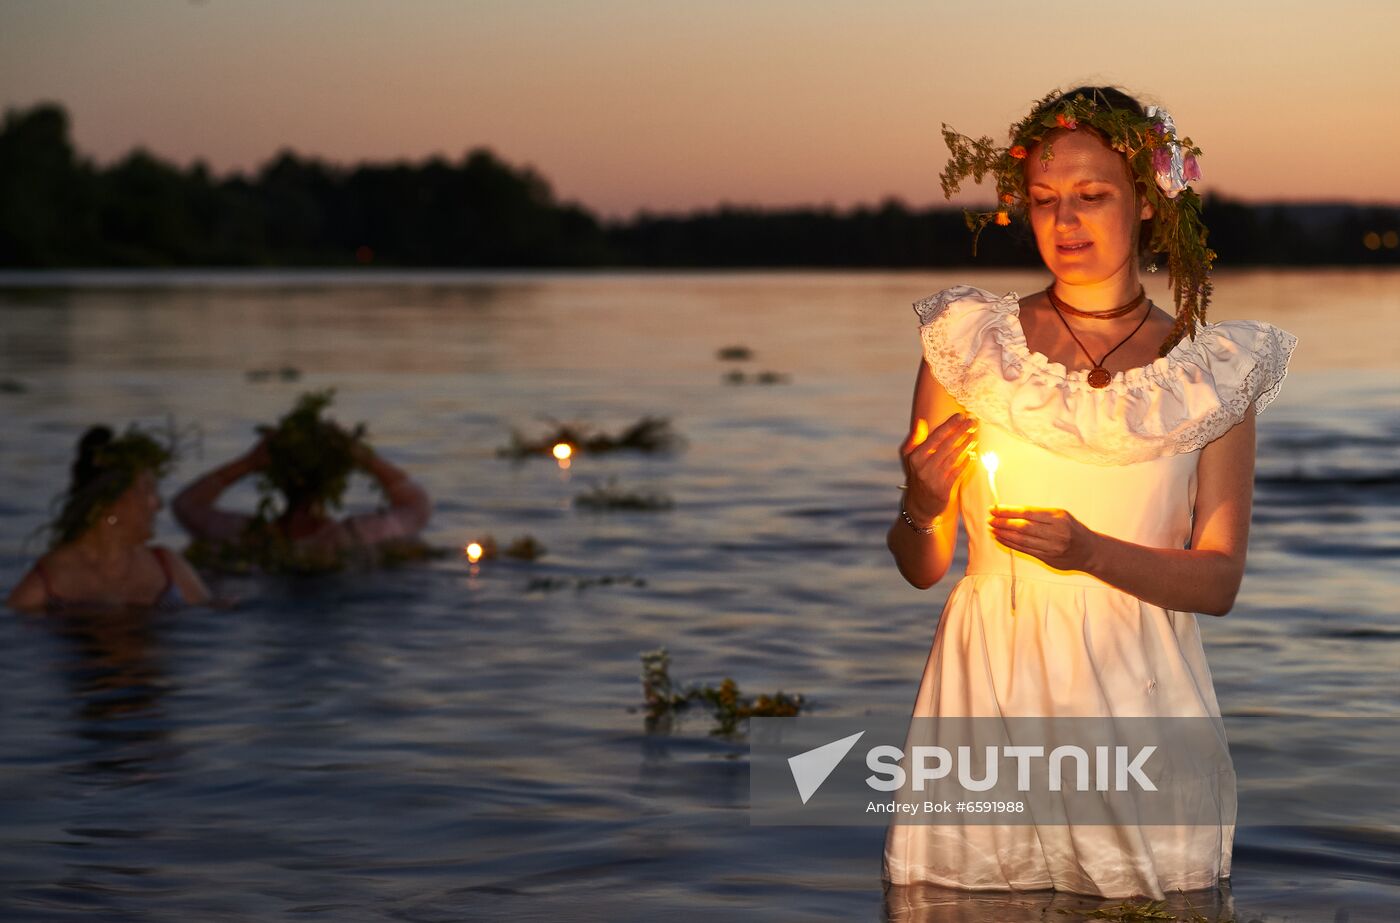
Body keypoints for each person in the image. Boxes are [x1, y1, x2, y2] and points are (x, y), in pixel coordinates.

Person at [882, 87, 1297, 901]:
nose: (1064, 222)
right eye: (1043, 201)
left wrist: (1092, 553)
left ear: (1147, 200)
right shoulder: (966, 348)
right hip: (988, 694)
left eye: (1091, 196)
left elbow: (1217, 582)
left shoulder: (1213, 372)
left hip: (1142, 699)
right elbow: (923, 566)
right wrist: (922, 504)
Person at [172, 391, 431, 572]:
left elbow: (185, 505)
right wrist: (362, 457)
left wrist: (248, 462)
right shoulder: (357, 536)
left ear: (276, 479)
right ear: (335, 479)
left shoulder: (249, 536)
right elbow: (418, 507)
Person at [6, 426, 211, 611]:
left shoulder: (168, 567)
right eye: (147, 491)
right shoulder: (50, 580)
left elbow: (211, 617)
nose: (158, 504)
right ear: (110, 505)